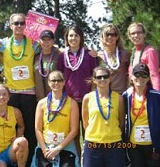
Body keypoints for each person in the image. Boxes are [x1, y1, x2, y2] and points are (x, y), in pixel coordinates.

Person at [0, 13, 39, 166]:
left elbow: (50, 46)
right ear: (10, 25)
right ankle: (11, 159)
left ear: (26, 25)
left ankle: (30, 161)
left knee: (30, 130)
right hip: (11, 95)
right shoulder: (3, 44)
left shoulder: (33, 44)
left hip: (29, 94)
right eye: (16, 23)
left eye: (22, 23)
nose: (19, 26)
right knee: (12, 129)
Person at [57, 25, 98, 159]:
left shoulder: (89, 55)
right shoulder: (62, 55)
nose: (73, 38)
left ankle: (89, 159)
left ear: (81, 38)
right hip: (70, 100)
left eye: (76, 35)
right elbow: (59, 76)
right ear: (66, 38)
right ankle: (76, 159)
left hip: (87, 100)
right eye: (70, 36)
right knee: (73, 134)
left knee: (88, 132)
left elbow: (95, 76)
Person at [32, 70, 80, 167]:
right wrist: (44, 150)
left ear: (64, 82)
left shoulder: (72, 103)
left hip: (66, 146)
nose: (56, 83)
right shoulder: (41, 103)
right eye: (53, 80)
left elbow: (74, 130)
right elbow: (38, 129)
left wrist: (58, 148)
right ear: (49, 83)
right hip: (46, 147)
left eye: (59, 80)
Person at [82, 66, 125, 167]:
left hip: (114, 144)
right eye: (99, 77)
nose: (102, 79)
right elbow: (85, 122)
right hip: (93, 144)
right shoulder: (88, 98)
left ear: (110, 78)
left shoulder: (118, 98)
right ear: (94, 80)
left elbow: (121, 121)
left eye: (105, 76)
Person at [123, 63, 160, 167]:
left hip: (153, 146)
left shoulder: (156, 96)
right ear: (132, 77)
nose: (140, 78)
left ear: (148, 78)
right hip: (134, 146)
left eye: (144, 75)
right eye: (137, 75)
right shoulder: (126, 96)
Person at [98, 23, 130, 94]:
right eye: (107, 34)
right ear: (102, 37)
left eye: (113, 34)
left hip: (122, 95)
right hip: (105, 95)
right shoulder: (98, 56)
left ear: (117, 37)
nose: (110, 37)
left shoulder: (126, 54)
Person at [127, 22, 160, 90]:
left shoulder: (150, 51)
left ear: (144, 34)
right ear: (129, 37)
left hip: (148, 91)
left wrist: (157, 95)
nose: (136, 35)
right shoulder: (133, 53)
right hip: (136, 92)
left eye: (139, 32)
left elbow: (154, 75)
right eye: (133, 33)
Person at [34, 29, 61, 102]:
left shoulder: (59, 55)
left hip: (55, 98)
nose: (46, 42)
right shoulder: (35, 56)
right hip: (38, 99)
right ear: (39, 41)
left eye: (49, 39)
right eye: (43, 39)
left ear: (53, 40)